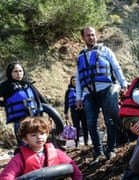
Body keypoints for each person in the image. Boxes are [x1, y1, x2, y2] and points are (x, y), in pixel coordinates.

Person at [76, 26, 128, 165]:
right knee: (91, 123)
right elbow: (79, 78)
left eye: (92, 35)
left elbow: (116, 67)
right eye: (88, 35)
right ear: (83, 38)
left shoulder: (105, 51)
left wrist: (123, 84)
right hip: (89, 94)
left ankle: (111, 149)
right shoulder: (80, 57)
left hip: (106, 90)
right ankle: (98, 152)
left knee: (109, 120)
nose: (91, 37)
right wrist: (79, 97)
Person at [0, 116, 83, 180]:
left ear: (47, 134)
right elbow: (7, 176)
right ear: (25, 139)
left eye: (42, 133)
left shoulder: (57, 153)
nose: (39, 137)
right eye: (33, 135)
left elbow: (72, 166)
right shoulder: (19, 158)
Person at [0, 62, 46, 146]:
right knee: (24, 145)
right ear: (10, 73)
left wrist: (49, 116)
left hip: (34, 118)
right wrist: (5, 104)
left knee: (38, 144)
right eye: (15, 71)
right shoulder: (5, 86)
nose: (18, 73)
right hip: (20, 121)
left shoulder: (28, 84)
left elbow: (40, 99)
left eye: (20, 71)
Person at [64, 75, 89, 148]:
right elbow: (66, 102)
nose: (74, 82)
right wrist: (66, 113)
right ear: (71, 82)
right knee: (76, 127)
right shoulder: (68, 91)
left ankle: (86, 141)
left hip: (83, 109)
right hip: (74, 110)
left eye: (76, 81)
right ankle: (77, 143)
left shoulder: (82, 89)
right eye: (73, 81)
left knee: (85, 126)